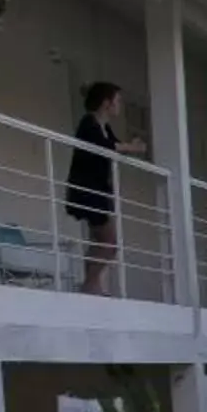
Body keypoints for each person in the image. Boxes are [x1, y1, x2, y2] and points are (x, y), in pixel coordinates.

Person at [64, 83, 146, 296]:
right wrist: (131, 147)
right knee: (109, 242)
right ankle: (89, 285)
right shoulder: (89, 123)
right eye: (117, 101)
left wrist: (131, 146)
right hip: (88, 191)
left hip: (97, 190)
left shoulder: (104, 126)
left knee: (100, 240)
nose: (119, 105)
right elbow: (104, 145)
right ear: (106, 103)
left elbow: (114, 146)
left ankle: (92, 285)